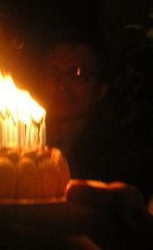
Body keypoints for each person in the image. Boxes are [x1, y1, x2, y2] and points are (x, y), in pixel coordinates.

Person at [35, 35, 153, 249]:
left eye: (77, 73)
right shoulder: (29, 143)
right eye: (53, 72)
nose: (62, 84)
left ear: (102, 89)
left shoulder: (126, 151)